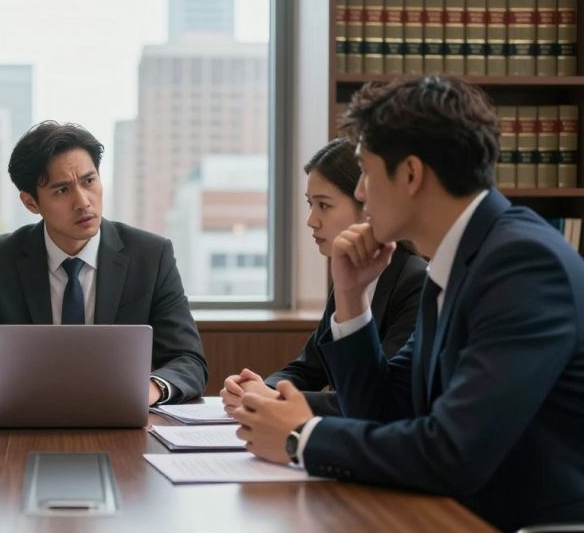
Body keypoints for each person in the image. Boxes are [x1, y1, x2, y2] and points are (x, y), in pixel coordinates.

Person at [227, 76, 584, 531]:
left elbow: (454, 452)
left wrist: (303, 437)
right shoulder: (460, 262)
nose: (360, 193)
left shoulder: (522, 263)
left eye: (367, 172)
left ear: (411, 174)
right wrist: (352, 298)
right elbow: (386, 410)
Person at [0, 120, 208, 406]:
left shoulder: (151, 256)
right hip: (23, 422)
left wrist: (147, 391)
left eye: (89, 181)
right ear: (31, 203)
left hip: (124, 424)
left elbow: (188, 360)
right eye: (62, 191)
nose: (83, 202)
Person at [222, 139, 426, 416]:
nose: (311, 220)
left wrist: (274, 400)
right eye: (310, 204)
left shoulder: (415, 281)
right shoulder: (349, 278)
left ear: (367, 205)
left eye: (324, 206)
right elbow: (307, 367)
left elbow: (378, 398)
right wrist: (259, 389)